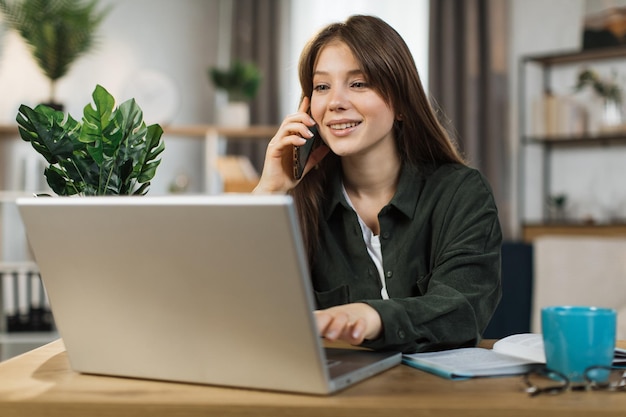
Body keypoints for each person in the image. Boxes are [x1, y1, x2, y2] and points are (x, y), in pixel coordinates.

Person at [254, 15, 502, 353]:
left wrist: (371, 316)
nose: (336, 102)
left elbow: (463, 309)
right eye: (322, 86)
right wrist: (268, 191)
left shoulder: (461, 192)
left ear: (400, 103)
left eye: (358, 83)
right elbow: (229, 306)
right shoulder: (297, 200)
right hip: (331, 393)